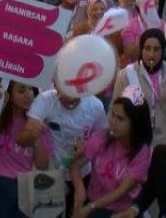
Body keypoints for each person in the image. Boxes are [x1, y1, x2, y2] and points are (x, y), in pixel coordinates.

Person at [16, 84, 108, 217]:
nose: (70, 99)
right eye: (65, 90)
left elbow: (103, 140)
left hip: (83, 174)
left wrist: (88, 146)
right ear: (56, 85)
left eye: (75, 94)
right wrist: (31, 133)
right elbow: (21, 139)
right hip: (53, 174)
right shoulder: (45, 100)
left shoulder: (95, 106)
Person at [70, 85, 153, 218]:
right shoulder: (103, 137)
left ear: (136, 123)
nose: (112, 121)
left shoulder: (141, 152)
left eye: (120, 119)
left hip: (123, 209)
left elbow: (121, 191)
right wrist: (79, 188)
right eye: (112, 114)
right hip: (95, 203)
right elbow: (75, 165)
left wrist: (90, 207)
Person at [0, 81, 53, 218]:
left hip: (28, 186)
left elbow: (43, 165)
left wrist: (36, 140)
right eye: (21, 91)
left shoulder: (39, 121)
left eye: (30, 88)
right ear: (10, 94)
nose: (28, 95)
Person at [113, 29, 166, 146]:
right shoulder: (126, 75)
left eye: (156, 49)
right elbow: (114, 108)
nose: (151, 54)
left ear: (163, 51)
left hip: (162, 141)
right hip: (134, 140)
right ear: (141, 49)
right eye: (147, 48)